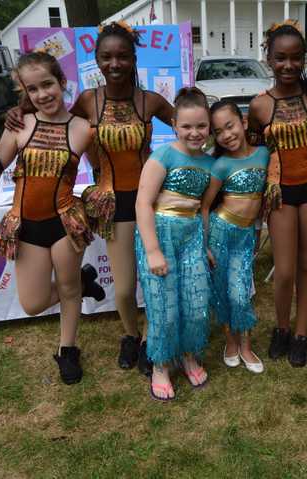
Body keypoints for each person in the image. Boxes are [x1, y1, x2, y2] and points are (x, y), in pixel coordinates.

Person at [6, 21, 175, 375]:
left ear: (133, 58)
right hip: (113, 207)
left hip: (152, 202)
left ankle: (150, 341)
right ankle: (130, 335)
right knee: (126, 290)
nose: (114, 64)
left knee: (156, 283)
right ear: (96, 60)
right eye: (106, 57)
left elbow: (193, 127)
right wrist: (20, 110)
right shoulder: (88, 100)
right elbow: (55, 121)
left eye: (122, 56)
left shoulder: (152, 101)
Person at [0, 51, 96, 384]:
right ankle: (85, 281)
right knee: (33, 303)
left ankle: (67, 349)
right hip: (26, 226)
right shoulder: (20, 124)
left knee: (69, 291)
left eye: (48, 85)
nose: (42, 94)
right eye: (33, 89)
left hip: (66, 223)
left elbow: (104, 171)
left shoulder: (84, 129)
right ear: (25, 93)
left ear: (62, 83)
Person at [247, 20, 307, 367]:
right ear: (268, 58)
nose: (288, 65)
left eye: (296, 58)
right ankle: (280, 327)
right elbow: (250, 149)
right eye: (280, 58)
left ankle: (300, 332)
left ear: (304, 59)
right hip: (280, 193)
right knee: (283, 270)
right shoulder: (259, 106)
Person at [135, 87, 215, 401]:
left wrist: (204, 245)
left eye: (201, 126)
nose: (194, 133)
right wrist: (153, 249)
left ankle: (189, 355)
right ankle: (160, 365)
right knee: (164, 307)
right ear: (173, 124)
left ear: (209, 125)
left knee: (196, 304)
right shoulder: (164, 155)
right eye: (187, 126)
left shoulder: (209, 163)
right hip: (161, 234)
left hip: (192, 235)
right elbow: (143, 203)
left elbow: (202, 209)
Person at [201, 100, 269, 374]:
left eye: (229, 126)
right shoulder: (221, 165)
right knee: (224, 293)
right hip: (221, 232)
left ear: (242, 121)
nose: (227, 135)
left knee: (241, 293)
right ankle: (230, 341)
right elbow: (205, 206)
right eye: (219, 131)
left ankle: (246, 344)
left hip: (246, 236)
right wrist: (205, 245)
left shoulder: (264, 154)